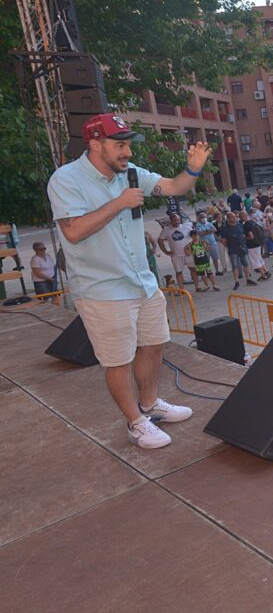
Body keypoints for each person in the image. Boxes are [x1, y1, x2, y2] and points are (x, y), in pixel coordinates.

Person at [46, 113, 212, 449]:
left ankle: (150, 405)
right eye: (119, 145)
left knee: (153, 345)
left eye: (127, 145)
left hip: (143, 282)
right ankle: (135, 422)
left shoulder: (132, 174)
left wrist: (193, 167)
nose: (128, 153)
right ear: (95, 144)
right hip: (102, 288)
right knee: (117, 360)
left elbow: (175, 186)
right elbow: (74, 231)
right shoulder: (66, 179)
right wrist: (119, 202)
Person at [219, 212, 256, 290]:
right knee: (235, 265)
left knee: (245, 264)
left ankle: (248, 279)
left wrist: (243, 241)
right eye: (232, 217)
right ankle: (236, 281)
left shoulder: (239, 225)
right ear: (228, 218)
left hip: (242, 247)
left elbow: (244, 234)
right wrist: (230, 245)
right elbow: (223, 240)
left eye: (234, 217)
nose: (234, 218)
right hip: (233, 249)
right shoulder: (225, 228)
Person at [158, 212, 194, 289]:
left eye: (178, 220)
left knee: (193, 269)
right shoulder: (166, 230)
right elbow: (160, 240)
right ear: (171, 221)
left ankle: (197, 286)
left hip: (188, 253)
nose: (177, 222)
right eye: (175, 220)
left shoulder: (186, 227)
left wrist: (191, 248)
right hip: (176, 255)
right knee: (179, 271)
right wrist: (166, 251)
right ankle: (182, 289)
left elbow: (194, 236)